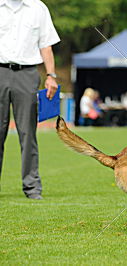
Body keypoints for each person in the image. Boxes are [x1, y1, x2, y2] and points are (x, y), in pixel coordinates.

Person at [0, 0, 60, 200]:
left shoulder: (38, 8)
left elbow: (46, 45)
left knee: (28, 133)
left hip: (27, 74)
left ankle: (32, 187)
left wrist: (51, 75)